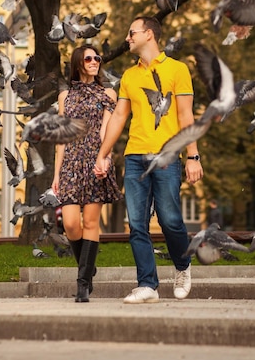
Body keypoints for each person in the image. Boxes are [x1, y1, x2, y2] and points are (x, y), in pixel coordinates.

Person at [94, 16, 203, 303]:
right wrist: (103, 153)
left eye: (132, 33)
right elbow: (119, 116)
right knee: (137, 224)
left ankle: (182, 265)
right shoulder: (130, 76)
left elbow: (185, 116)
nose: (127, 38)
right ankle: (147, 285)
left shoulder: (178, 70)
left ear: (150, 35)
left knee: (170, 220)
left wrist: (193, 155)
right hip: (135, 158)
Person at [52, 44, 123, 303]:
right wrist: (56, 174)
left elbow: (108, 130)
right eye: (89, 58)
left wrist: (103, 158)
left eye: (97, 58)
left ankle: (83, 284)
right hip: (70, 161)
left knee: (91, 222)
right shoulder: (64, 97)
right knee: (70, 223)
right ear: (79, 64)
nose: (95, 62)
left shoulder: (108, 93)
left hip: (95, 159)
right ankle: (87, 264)